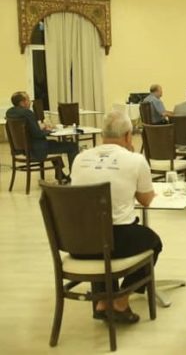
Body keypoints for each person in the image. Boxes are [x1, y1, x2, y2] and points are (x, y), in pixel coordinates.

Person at [70, 110, 163, 323]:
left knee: (98, 231)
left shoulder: (80, 158)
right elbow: (146, 200)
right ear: (128, 135)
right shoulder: (135, 160)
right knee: (153, 242)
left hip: (77, 242)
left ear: (103, 134)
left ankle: (102, 301)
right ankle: (120, 300)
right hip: (114, 241)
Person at [5, 91, 78, 177]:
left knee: (53, 143)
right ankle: (74, 176)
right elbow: (37, 134)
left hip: (23, 149)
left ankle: (59, 174)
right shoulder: (27, 113)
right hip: (36, 150)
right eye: (28, 99)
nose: (30, 102)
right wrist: (50, 131)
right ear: (22, 103)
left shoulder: (10, 113)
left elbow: (27, 129)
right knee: (72, 146)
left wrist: (39, 127)